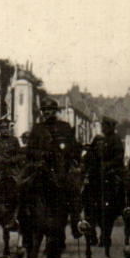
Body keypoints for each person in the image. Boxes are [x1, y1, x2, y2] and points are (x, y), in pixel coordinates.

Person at [24, 95, 84, 227]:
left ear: (55, 111)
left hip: (62, 168)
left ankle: (77, 222)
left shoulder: (65, 127)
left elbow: (74, 148)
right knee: (24, 186)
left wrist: (70, 156)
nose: (46, 112)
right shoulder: (37, 128)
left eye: (49, 109)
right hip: (42, 167)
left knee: (74, 190)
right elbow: (29, 150)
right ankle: (21, 219)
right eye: (44, 110)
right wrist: (42, 154)